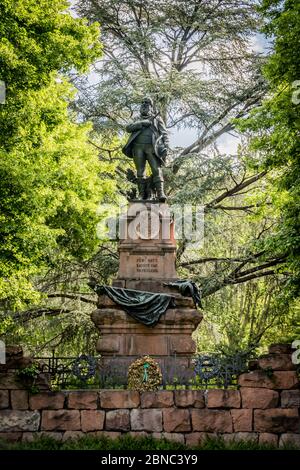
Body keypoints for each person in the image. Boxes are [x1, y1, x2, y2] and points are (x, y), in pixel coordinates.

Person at [122, 97, 169, 202]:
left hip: (152, 148)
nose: (144, 104)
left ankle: (161, 193)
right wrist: (142, 123)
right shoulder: (137, 119)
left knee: (156, 170)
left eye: (147, 103)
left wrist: (166, 146)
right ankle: (141, 194)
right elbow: (128, 128)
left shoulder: (157, 119)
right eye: (142, 102)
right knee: (140, 172)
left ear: (151, 106)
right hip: (137, 148)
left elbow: (164, 133)